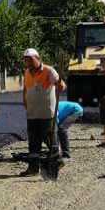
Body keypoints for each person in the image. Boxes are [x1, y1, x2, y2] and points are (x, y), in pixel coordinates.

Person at [21, 48, 65, 176]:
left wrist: (60, 86)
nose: (28, 62)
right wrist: (25, 102)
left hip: (47, 114)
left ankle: (57, 161)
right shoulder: (27, 72)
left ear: (38, 58)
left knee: (50, 140)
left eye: (30, 59)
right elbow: (25, 89)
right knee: (33, 142)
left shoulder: (48, 70)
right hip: (32, 113)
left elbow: (61, 85)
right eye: (26, 60)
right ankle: (33, 168)